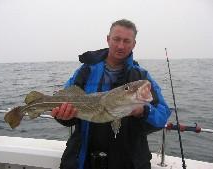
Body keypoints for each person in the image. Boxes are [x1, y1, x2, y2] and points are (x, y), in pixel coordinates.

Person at [51, 19, 171, 169]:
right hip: (84, 159)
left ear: (134, 44)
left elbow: (163, 114)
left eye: (127, 41)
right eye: (116, 39)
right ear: (108, 39)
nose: (121, 45)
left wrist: (144, 111)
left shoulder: (141, 77)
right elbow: (66, 106)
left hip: (129, 162)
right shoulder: (85, 71)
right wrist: (63, 117)